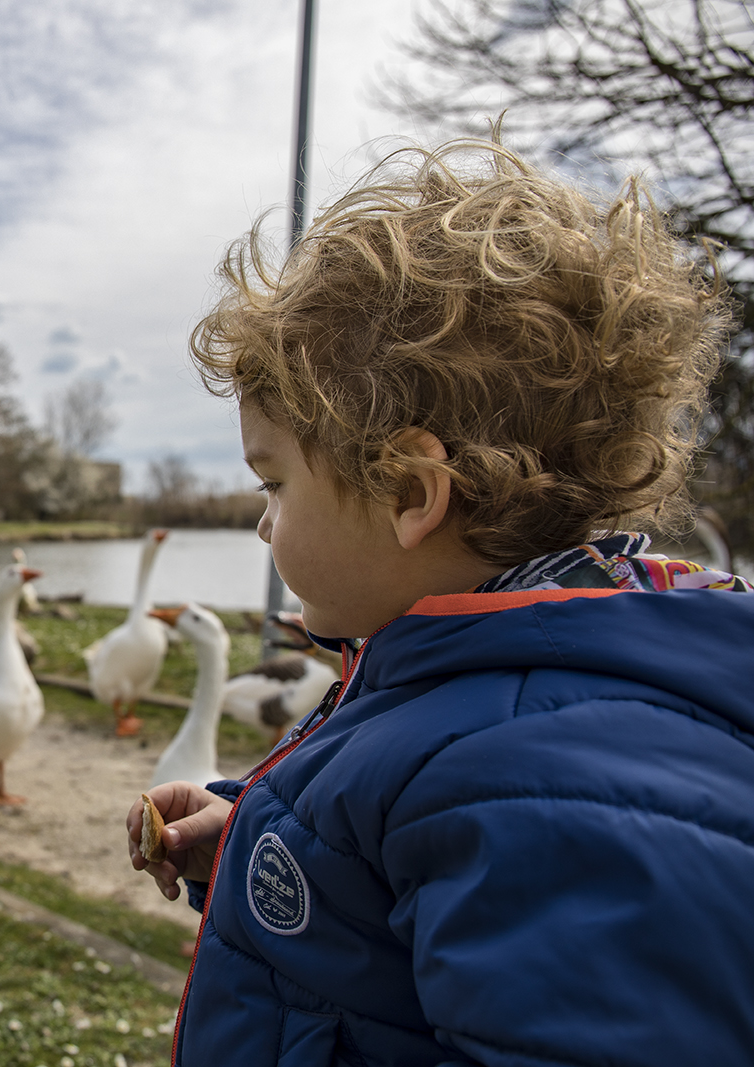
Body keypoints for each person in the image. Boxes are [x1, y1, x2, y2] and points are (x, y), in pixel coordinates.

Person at [129, 137, 754, 1066]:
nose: (264, 527)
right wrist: (267, 842)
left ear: (411, 493)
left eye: (274, 486)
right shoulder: (484, 689)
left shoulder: (549, 788)